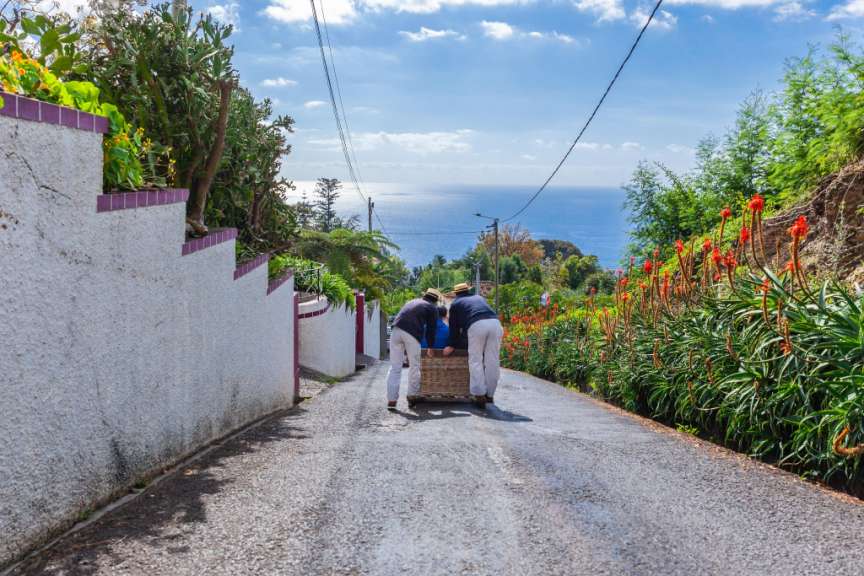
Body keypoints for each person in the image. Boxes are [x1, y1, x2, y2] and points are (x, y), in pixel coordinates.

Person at [443, 283, 503, 406]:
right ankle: (490, 395)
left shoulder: (456, 304)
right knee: (492, 360)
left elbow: (454, 328)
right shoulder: (479, 298)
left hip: (476, 325)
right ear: (467, 291)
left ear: (456, 294)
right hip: (495, 323)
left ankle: (479, 394)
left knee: (476, 359)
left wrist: (451, 344)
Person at [387, 289, 441, 409]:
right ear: (435, 301)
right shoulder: (432, 308)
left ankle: (391, 400)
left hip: (395, 330)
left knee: (395, 367)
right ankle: (412, 396)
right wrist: (431, 347)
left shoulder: (412, 301)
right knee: (414, 366)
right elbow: (431, 330)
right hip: (411, 334)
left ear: (424, 296)